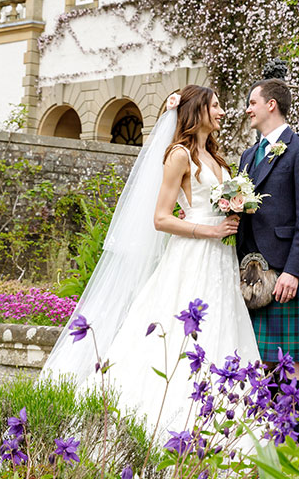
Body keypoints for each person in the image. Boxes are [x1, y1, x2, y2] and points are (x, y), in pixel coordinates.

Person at [40, 85, 260, 443]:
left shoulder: (219, 159)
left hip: (221, 259)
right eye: (216, 105)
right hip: (191, 256)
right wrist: (209, 230)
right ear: (197, 110)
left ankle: (223, 428)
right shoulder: (178, 155)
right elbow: (160, 218)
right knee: (180, 339)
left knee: (223, 329)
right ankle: (163, 427)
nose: (221, 112)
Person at [236, 79, 299, 391]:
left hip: (284, 269)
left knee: (292, 362)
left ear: (271, 105)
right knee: (263, 362)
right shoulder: (248, 156)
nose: (248, 109)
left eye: (253, 103)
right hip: (253, 273)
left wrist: (294, 271)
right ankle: (271, 436)